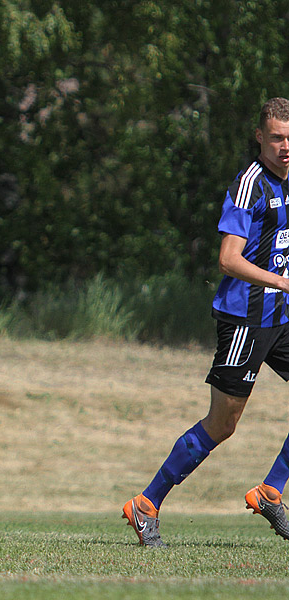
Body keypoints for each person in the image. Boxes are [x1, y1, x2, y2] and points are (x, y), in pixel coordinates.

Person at [123, 97, 289, 547]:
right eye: (276, 137)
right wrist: (284, 281)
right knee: (223, 424)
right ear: (260, 137)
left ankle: (270, 491)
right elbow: (228, 259)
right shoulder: (249, 184)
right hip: (243, 319)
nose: (285, 146)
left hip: (280, 317)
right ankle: (146, 503)